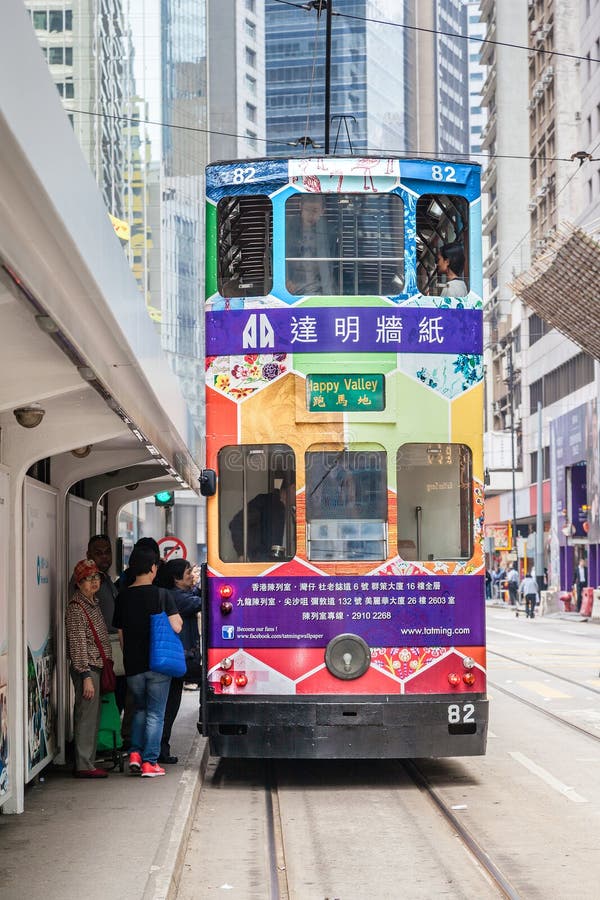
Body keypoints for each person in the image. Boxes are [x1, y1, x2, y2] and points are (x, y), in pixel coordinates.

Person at [113, 544, 182, 778]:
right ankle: (149, 761)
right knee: (155, 714)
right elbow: (176, 625)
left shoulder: (122, 597)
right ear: (153, 568)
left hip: (133, 665)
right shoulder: (162, 594)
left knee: (140, 710)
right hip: (158, 664)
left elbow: (121, 635)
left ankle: (134, 753)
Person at [66, 558, 113, 778]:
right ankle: (84, 764)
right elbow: (77, 644)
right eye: (88, 578)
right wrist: (85, 675)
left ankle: (89, 761)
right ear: (78, 583)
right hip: (88, 670)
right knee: (86, 717)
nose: (94, 582)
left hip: (96, 667)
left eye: (96, 577)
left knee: (92, 717)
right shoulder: (77, 608)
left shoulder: (91, 603)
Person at [155, 558, 202, 764]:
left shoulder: (178, 594)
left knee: (168, 706)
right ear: (175, 579)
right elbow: (200, 602)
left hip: (179, 658)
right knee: (168, 707)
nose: (192, 575)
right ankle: (159, 750)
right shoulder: (176, 597)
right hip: (179, 659)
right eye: (188, 573)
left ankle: (160, 749)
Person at [86, 534, 126, 712]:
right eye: (98, 552)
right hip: (98, 652)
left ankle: (112, 738)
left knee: (116, 699)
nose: (104, 556)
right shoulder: (88, 581)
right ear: (89, 555)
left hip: (113, 649)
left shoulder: (106, 579)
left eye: (107, 552)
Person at [286, 194, 335, 295]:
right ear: (300, 206)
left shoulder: (329, 231)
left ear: (323, 210)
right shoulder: (288, 228)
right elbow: (276, 254)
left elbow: (333, 261)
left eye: (315, 211)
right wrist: (286, 280)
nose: (311, 215)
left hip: (321, 286)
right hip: (293, 285)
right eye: (307, 209)